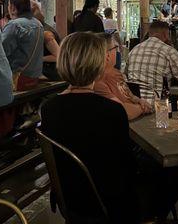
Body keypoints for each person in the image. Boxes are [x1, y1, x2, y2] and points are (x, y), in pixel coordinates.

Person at [40, 32, 140, 223]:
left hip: (70, 201)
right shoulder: (112, 111)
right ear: (99, 64)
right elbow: (127, 168)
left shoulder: (48, 109)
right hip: (109, 205)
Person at [125, 21, 178, 104]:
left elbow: (125, 75)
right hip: (155, 104)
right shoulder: (169, 51)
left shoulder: (134, 50)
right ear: (165, 34)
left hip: (133, 102)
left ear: (150, 33)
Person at [94, 33, 152, 120]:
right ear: (107, 55)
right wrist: (141, 108)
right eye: (115, 48)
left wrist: (140, 101)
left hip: (137, 117)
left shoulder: (116, 72)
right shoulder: (97, 80)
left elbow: (130, 96)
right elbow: (121, 111)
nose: (118, 51)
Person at [2, 0, 44, 91]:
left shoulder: (14, 25)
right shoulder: (38, 24)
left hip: (17, 79)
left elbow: (2, 52)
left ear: (12, 7)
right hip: (33, 78)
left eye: (8, 5)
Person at [31, 1, 61, 81]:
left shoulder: (46, 33)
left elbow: (58, 56)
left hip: (51, 75)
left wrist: (38, 59)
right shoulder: (42, 29)